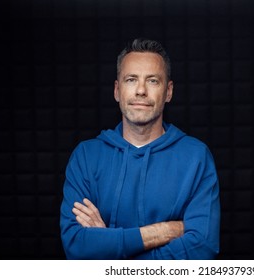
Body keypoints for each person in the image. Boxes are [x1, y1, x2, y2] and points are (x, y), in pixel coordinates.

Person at [60, 38, 220, 259]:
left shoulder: (196, 157)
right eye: (131, 79)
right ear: (117, 90)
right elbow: (77, 247)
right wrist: (162, 232)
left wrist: (108, 247)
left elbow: (202, 249)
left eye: (153, 81)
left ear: (169, 91)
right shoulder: (86, 157)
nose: (141, 90)